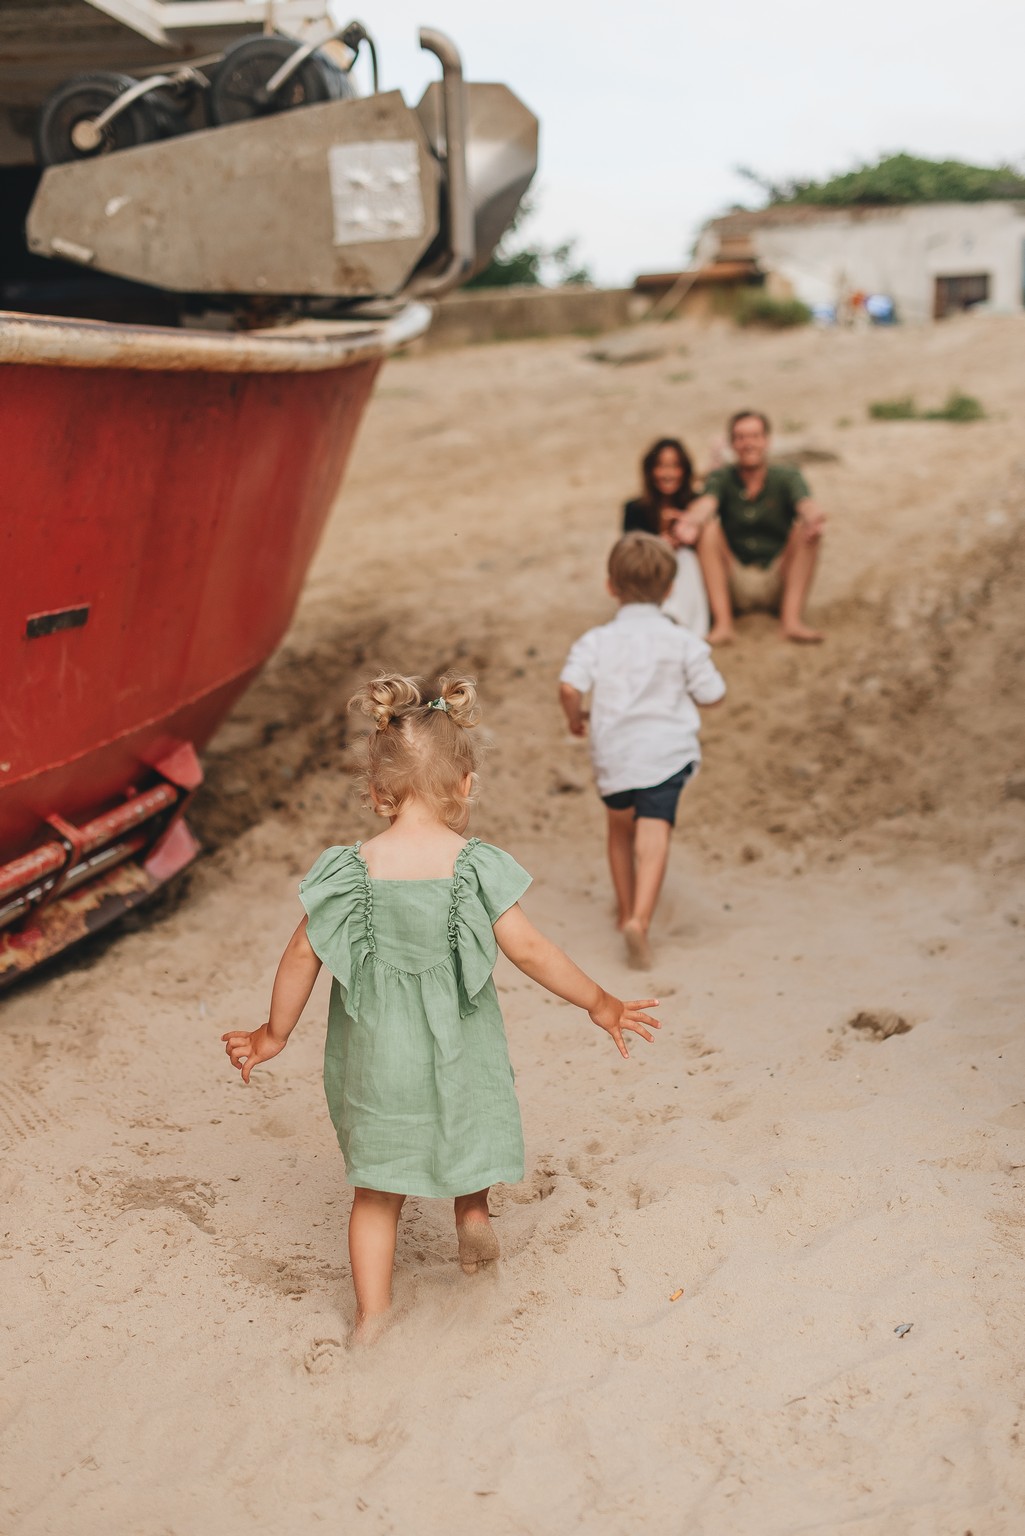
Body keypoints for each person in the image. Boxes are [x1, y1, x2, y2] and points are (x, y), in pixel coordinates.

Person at [221, 672, 660, 1344]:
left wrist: (272, 1033)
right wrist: (598, 1002)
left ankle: (371, 1316)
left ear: (375, 793)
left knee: (374, 1191)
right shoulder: (475, 866)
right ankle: (473, 1214)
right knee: (469, 1126)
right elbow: (532, 951)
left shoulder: (349, 869)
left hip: (377, 1058)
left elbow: (302, 955)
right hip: (459, 1044)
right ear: (465, 785)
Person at [559, 533, 726, 970]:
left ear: (611, 586)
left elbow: (568, 687)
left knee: (619, 830)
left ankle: (622, 909)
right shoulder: (683, 640)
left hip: (613, 754)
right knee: (654, 834)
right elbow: (713, 693)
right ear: (670, 589)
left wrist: (575, 718)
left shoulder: (596, 640)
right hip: (665, 754)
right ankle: (640, 920)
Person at [680, 410, 827, 645]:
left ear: (766, 440)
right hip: (735, 578)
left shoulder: (787, 475)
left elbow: (805, 503)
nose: (748, 443)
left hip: (776, 575)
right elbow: (707, 503)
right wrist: (691, 521)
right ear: (732, 443)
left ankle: (792, 620)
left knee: (805, 531)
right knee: (708, 530)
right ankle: (723, 624)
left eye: (754, 436)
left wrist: (814, 516)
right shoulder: (721, 477)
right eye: (740, 437)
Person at [623, 437, 709, 637]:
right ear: (650, 471)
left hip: (694, 577)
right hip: (652, 579)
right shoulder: (635, 509)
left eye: (675, 466)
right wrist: (660, 545)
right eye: (661, 466)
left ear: (684, 470)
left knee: (685, 558)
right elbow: (628, 555)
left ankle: (678, 620)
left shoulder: (695, 504)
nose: (668, 473)